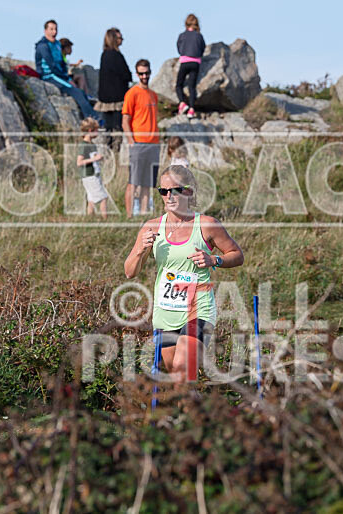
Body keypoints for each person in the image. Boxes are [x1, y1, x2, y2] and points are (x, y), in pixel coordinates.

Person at [124, 166, 244, 383]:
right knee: (179, 384)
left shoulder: (207, 225)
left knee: (181, 371)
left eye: (175, 190)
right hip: (165, 312)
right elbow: (130, 271)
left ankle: (191, 413)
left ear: (188, 191)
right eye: (163, 191)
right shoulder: (151, 227)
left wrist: (214, 260)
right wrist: (141, 249)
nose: (168, 196)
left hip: (198, 310)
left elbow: (236, 255)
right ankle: (197, 413)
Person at [35, 20, 96, 119]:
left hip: (60, 75)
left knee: (81, 93)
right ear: (45, 31)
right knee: (77, 92)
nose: (54, 32)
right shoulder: (43, 46)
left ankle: (91, 119)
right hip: (49, 76)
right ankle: (94, 120)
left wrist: (66, 76)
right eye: (51, 29)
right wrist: (64, 77)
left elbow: (62, 63)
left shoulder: (57, 45)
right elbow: (51, 65)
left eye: (55, 29)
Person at [122, 59, 160, 217]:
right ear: (137, 74)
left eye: (147, 73)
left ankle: (144, 215)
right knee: (134, 182)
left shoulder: (153, 95)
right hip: (138, 143)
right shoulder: (132, 93)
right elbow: (125, 120)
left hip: (154, 144)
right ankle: (129, 215)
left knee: (147, 183)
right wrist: (131, 141)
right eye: (141, 73)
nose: (145, 76)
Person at [96, 28, 132, 151]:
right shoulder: (117, 56)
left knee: (107, 128)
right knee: (117, 129)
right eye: (120, 38)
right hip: (117, 98)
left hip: (105, 99)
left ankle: (107, 155)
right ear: (114, 39)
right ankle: (115, 153)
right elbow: (126, 75)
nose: (122, 40)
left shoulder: (104, 55)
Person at [175, 14, 206, 118]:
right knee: (192, 87)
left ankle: (182, 103)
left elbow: (179, 48)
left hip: (185, 61)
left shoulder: (182, 35)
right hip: (196, 62)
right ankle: (192, 109)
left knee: (179, 85)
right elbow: (202, 48)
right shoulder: (199, 36)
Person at [76, 117, 108, 217]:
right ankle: (105, 220)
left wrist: (98, 159)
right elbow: (79, 162)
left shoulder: (92, 144)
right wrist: (94, 159)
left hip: (94, 174)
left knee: (91, 200)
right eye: (96, 130)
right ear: (90, 131)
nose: (98, 133)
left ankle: (89, 218)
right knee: (103, 198)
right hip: (89, 175)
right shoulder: (84, 145)